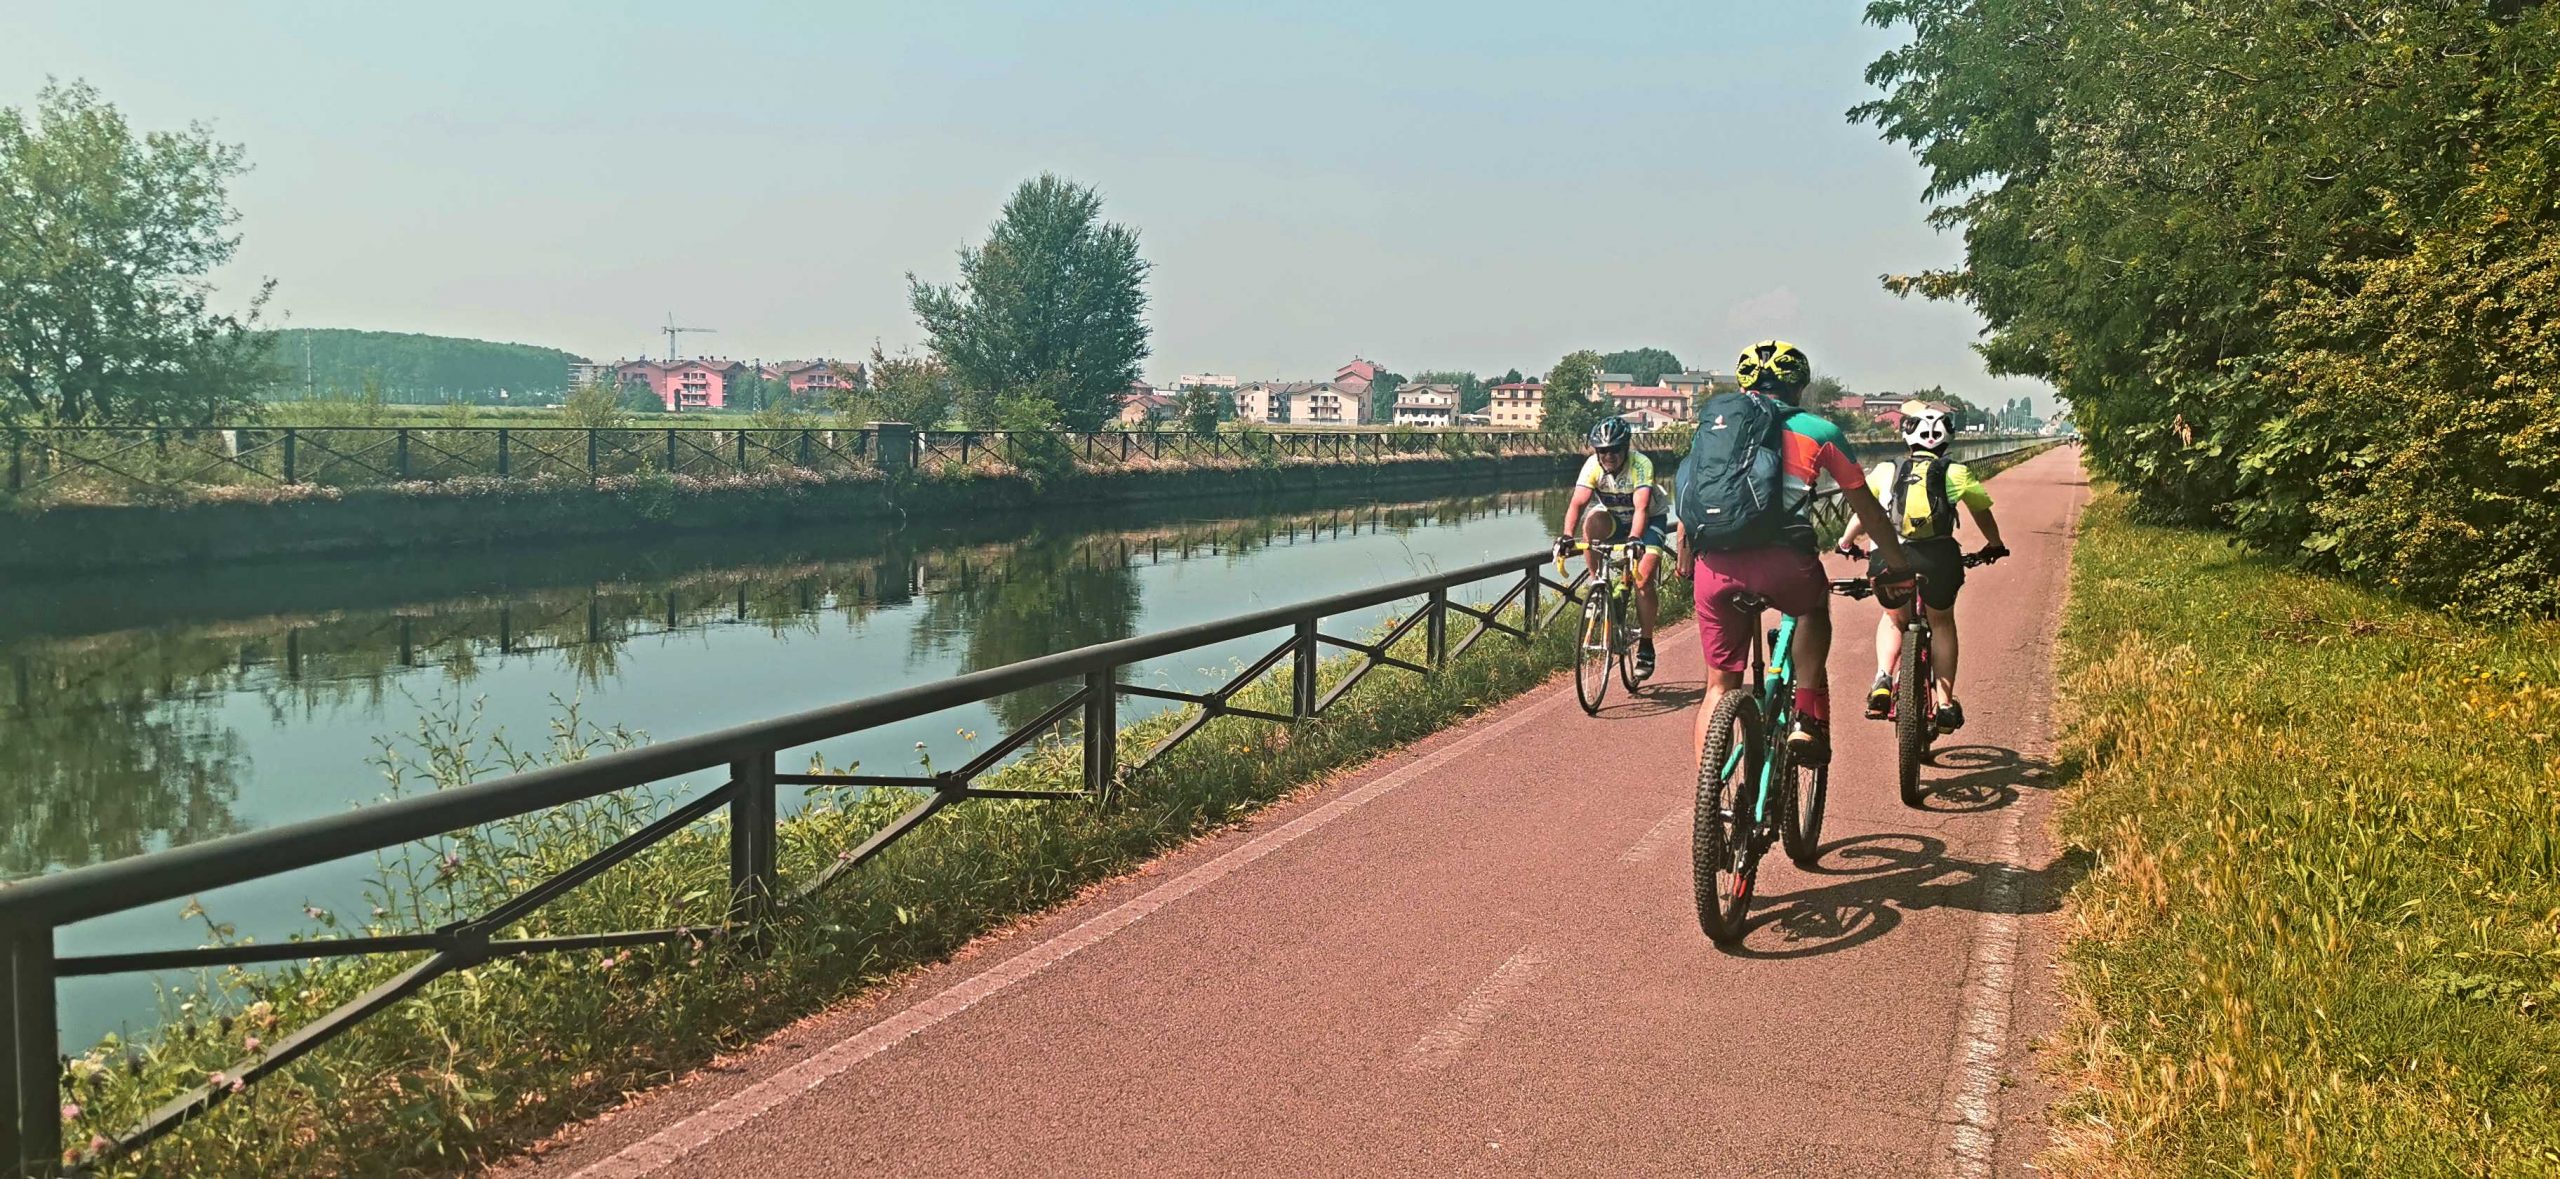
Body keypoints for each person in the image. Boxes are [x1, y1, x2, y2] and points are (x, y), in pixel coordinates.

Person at [1678, 340, 1912, 768]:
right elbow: (1870, 513)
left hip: (1716, 567)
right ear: (1798, 386)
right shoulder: (1819, 431)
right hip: (1785, 565)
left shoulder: (1714, 429)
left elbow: (1691, 497)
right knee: (1812, 608)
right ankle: (1806, 711)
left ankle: (1710, 797)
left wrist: (1686, 553)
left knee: (1719, 685)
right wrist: (1898, 565)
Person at [1835, 403, 2009, 731]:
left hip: (1890, 557)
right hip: (1938, 559)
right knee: (1941, 623)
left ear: (1907, 438)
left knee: (1893, 619)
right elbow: (1982, 512)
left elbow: (1864, 512)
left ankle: (1883, 680)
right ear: (1946, 441)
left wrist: (1845, 543)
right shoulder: (1956, 472)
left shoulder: (1886, 470)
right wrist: (1995, 545)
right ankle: (1943, 704)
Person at [1556, 415, 1672, 680]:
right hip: (1616, 517)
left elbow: (1642, 507)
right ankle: (1598, 584)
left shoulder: (1640, 465)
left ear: (1626, 447)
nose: (1608, 456)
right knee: (1592, 521)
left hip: (1649, 520)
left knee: (1643, 580)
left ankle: (1646, 643)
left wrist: (1634, 540)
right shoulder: (1592, 466)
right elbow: (1577, 503)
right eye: (1602, 451)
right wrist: (1565, 536)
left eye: (1614, 450)